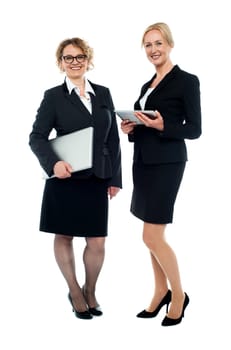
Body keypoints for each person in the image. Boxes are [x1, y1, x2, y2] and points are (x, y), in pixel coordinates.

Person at [29, 37, 122, 319]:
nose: (74, 61)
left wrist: (115, 178)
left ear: (88, 59)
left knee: (97, 242)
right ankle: (74, 290)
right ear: (61, 63)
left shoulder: (103, 93)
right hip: (65, 178)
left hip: (96, 177)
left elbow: (113, 138)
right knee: (64, 234)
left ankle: (90, 289)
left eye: (80, 56)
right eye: (68, 57)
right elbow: (36, 137)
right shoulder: (53, 96)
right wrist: (53, 163)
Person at [121, 22, 201, 326]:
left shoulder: (186, 81)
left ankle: (178, 295)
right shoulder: (148, 85)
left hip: (167, 164)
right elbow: (145, 124)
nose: (153, 50)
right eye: (148, 45)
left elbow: (195, 129)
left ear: (169, 44)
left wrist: (161, 126)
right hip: (143, 163)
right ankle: (159, 291)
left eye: (158, 43)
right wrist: (132, 128)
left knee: (151, 235)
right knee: (151, 237)